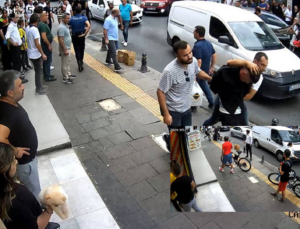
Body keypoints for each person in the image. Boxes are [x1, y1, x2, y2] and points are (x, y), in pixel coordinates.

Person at [0, 70, 42, 200]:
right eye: (19, 85)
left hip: (27, 162)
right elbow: (0, 138)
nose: (23, 87)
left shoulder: (8, 103)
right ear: (10, 93)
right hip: (24, 165)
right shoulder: (7, 113)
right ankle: (37, 216)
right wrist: (14, 151)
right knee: (34, 193)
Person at [0, 143, 58, 229]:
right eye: (13, 161)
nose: (16, 162)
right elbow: (36, 227)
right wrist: (49, 210)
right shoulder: (15, 199)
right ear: (4, 170)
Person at [157, 41, 212, 128]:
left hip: (187, 108)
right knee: (178, 139)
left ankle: (169, 138)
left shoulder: (193, 61)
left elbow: (197, 71)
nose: (189, 56)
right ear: (177, 55)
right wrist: (166, 114)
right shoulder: (169, 71)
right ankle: (170, 139)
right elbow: (160, 92)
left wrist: (210, 79)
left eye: (190, 52)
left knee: (186, 135)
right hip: (173, 111)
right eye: (185, 55)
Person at [204, 52, 268, 126]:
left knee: (244, 123)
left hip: (237, 100)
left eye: (265, 66)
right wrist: (246, 63)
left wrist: (234, 98)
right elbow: (229, 63)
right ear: (255, 62)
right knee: (214, 119)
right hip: (222, 97)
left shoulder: (259, 78)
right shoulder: (244, 66)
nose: (263, 68)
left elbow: (249, 95)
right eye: (262, 65)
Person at [192, 25, 216, 110]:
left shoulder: (197, 46)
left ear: (198, 33)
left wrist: (196, 73)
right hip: (206, 70)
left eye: (194, 32)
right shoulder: (208, 43)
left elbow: (199, 61)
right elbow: (214, 55)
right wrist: (212, 67)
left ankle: (194, 105)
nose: (193, 33)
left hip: (199, 71)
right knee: (204, 85)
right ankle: (211, 102)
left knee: (195, 87)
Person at [27, 13, 48, 95]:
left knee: (38, 71)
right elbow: (37, 43)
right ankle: (38, 89)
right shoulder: (35, 30)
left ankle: (39, 86)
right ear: (37, 20)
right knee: (38, 71)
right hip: (35, 54)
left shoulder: (28, 28)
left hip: (30, 52)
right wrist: (42, 53)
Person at [6, 12, 26, 83]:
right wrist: (13, 43)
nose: (18, 18)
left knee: (18, 62)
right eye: (16, 17)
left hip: (18, 47)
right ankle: (17, 80)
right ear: (12, 18)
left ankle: (19, 78)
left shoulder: (15, 25)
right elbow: (7, 37)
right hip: (15, 48)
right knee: (16, 63)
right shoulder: (11, 26)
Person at [69, 6, 90, 72]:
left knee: (76, 49)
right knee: (82, 48)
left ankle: (78, 62)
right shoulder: (84, 18)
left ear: (75, 12)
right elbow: (88, 26)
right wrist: (85, 34)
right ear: (81, 11)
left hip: (74, 36)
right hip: (81, 35)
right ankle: (81, 60)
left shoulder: (72, 19)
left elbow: (68, 25)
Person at [57, 13, 76, 84]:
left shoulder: (65, 25)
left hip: (67, 47)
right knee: (65, 64)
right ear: (63, 18)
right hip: (65, 48)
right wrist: (64, 49)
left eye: (69, 18)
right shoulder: (61, 27)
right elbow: (60, 39)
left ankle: (68, 74)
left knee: (68, 62)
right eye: (67, 18)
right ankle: (65, 78)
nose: (69, 20)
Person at [38, 11, 56, 82]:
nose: (47, 16)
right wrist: (49, 45)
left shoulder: (43, 24)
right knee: (48, 61)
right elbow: (44, 36)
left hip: (45, 45)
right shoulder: (42, 25)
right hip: (45, 46)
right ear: (42, 17)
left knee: (47, 61)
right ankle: (47, 76)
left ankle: (47, 74)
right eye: (46, 15)